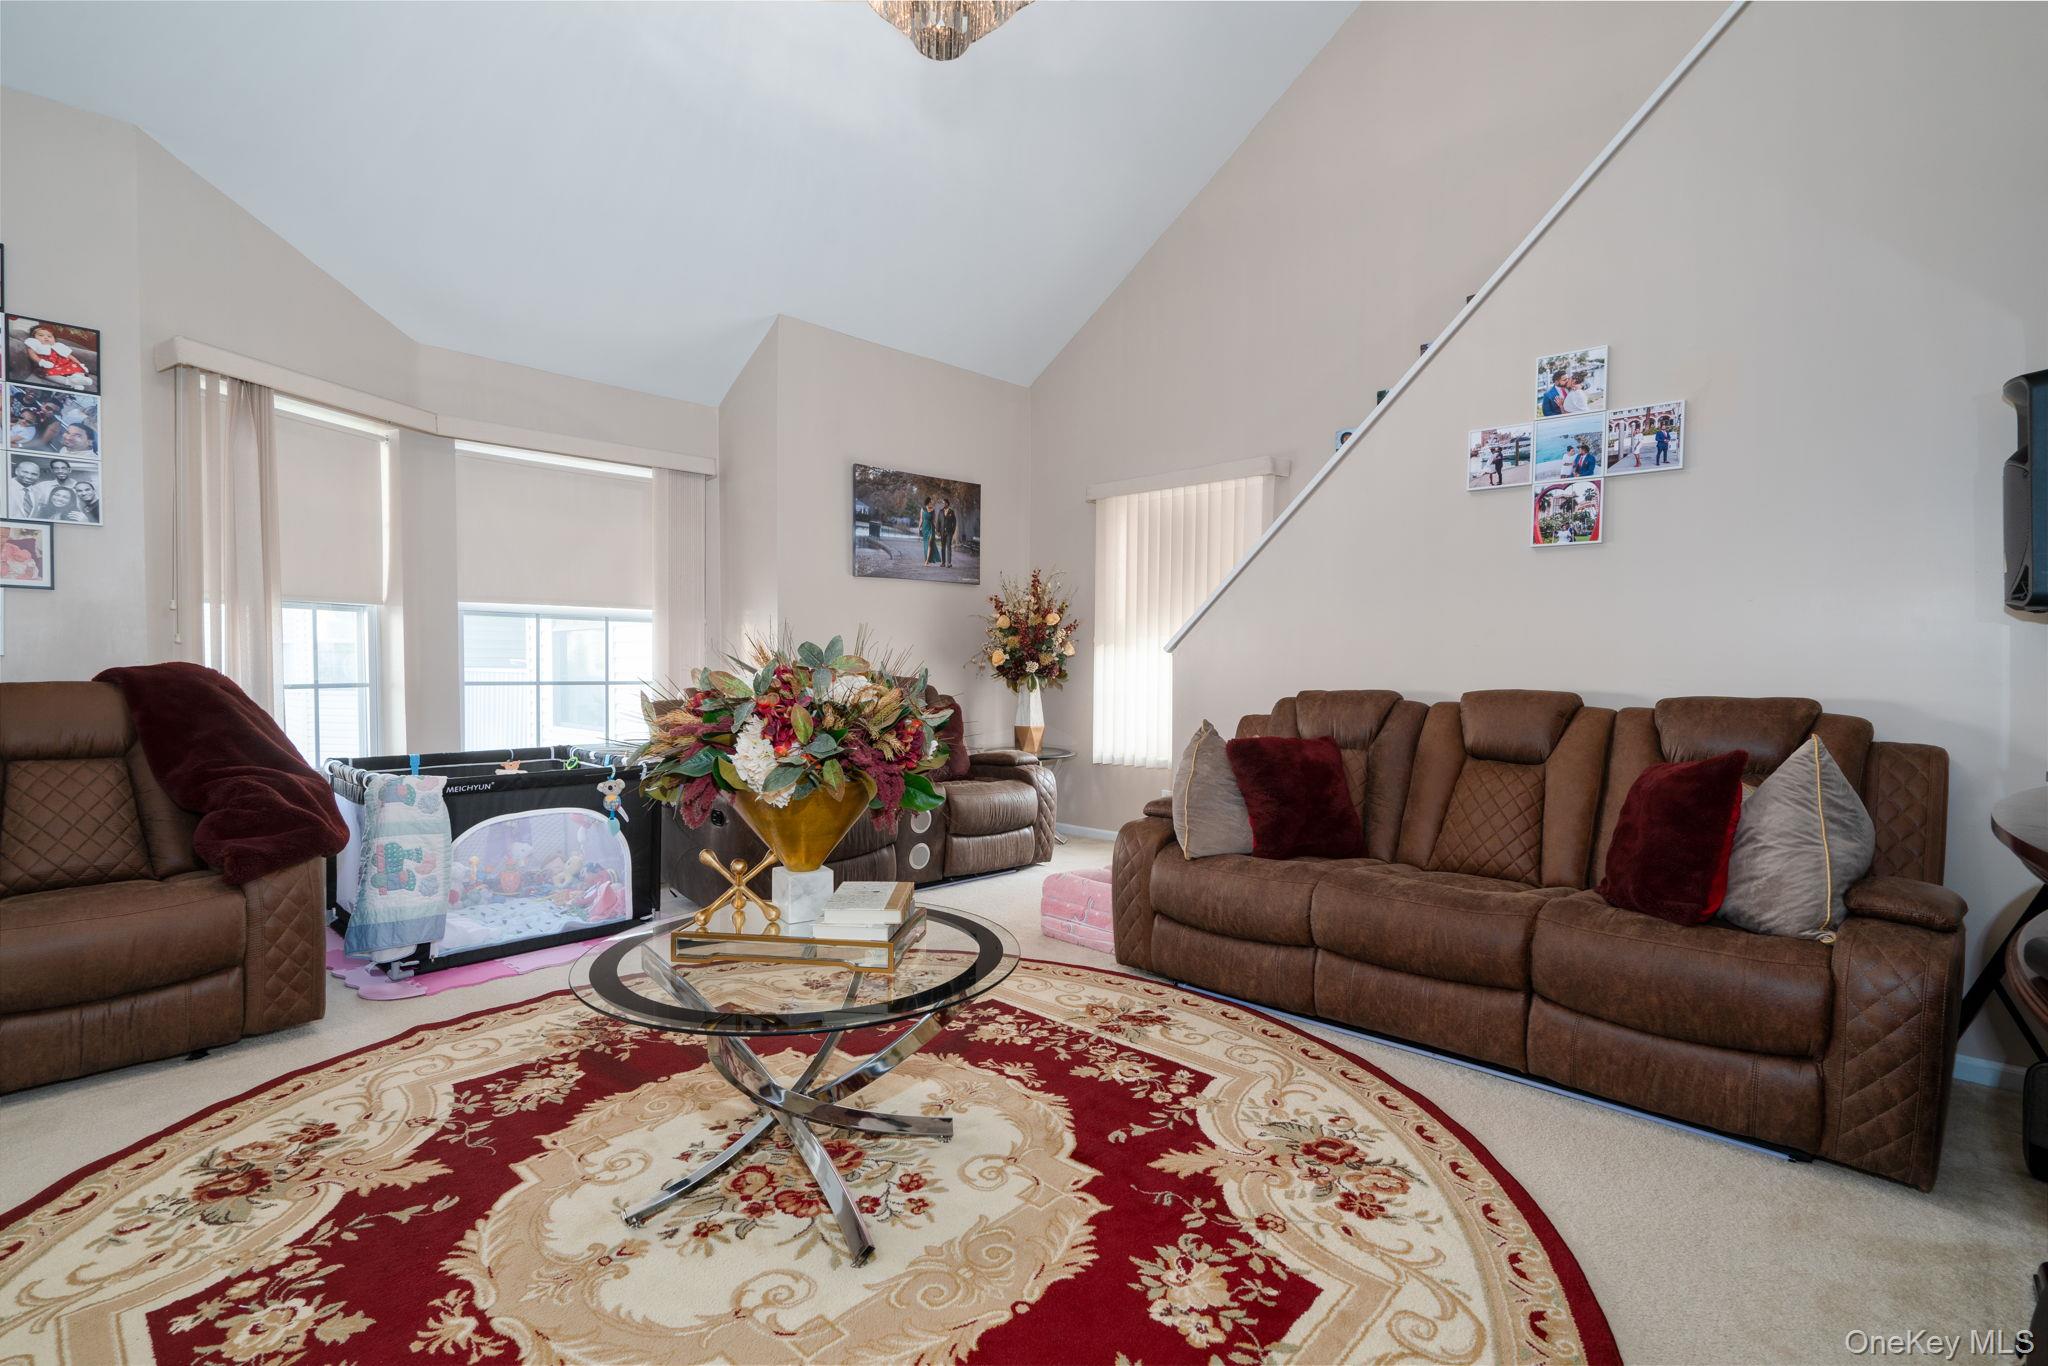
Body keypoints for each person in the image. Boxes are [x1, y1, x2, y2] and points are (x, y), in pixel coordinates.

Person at [17, 323, 92, 390]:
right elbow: (31, 354)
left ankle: (77, 377)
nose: (46, 338)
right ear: (33, 338)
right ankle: (70, 382)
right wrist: (40, 361)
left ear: (54, 339)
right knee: (47, 374)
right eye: (41, 335)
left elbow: (69, 356)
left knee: (77, 368)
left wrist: (80, 364)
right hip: (49, 365)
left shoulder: (58, 346)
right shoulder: (34, 344)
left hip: (65, 364)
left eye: (49, 336)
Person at [937, 498, 958, 568]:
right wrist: (938, 531)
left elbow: (954, 522)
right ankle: (943, 563)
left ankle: (949, 563)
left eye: (944, 503)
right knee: (942, 547)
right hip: (942, 532)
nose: (943, 504)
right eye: (942, 503)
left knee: (948, 546)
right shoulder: (940, 511)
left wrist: (953, 531)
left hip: (949, 532)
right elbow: (938, 522)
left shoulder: (951, 511)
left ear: (947, 504)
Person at [917, 496, 936, 564]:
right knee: (926, 544)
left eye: (932, 502)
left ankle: (927, 561)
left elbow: (934, 521)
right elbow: (921, 519)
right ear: (928, 502)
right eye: (931, 502)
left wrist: (936, 529)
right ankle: (926, 560)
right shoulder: (922, 509)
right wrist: (919, 528)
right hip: (925, 527)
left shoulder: (933, 510)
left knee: (929, 544)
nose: (932, 503)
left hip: (931, 528)